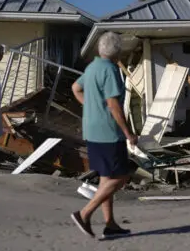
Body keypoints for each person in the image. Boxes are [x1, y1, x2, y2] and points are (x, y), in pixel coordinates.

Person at [70, 32, 137, 239]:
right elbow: (113, 104)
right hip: (108, 132)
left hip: (91, 130)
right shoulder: (110, 70)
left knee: (106, 178)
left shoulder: (92, 68)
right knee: (122, 175)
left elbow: (75, 88)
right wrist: (128, 133)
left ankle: (110, 224)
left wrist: (91, 106)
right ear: (118, 51)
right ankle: (84, 213)